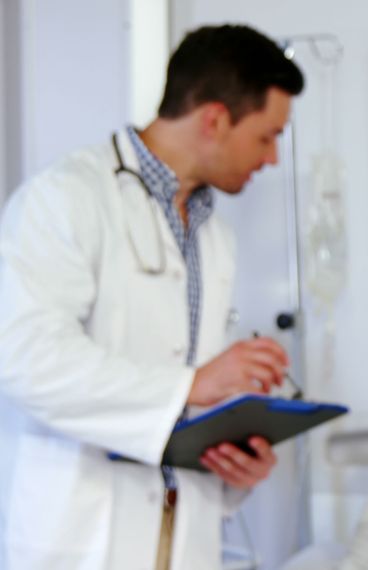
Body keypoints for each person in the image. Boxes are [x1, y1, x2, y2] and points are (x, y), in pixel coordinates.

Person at [0, 25, 303, 569]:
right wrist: (193, 384)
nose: (273, 158)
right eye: (266, 136)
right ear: (214, 119)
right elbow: (24, 357)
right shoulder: (66, 197)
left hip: (178, 534)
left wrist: (236, 458)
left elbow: (187, 401)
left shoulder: (215, 237)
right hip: (81, 533)